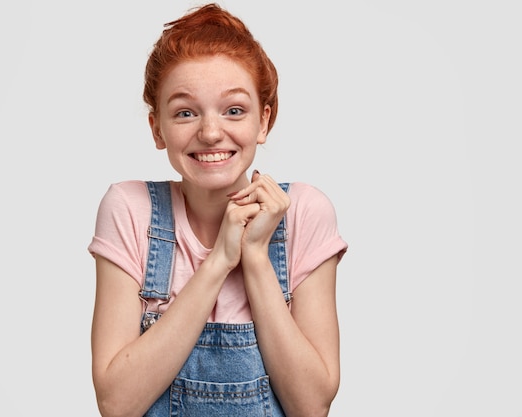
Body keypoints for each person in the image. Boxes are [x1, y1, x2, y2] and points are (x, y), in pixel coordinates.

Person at [88, 3, 348, 416]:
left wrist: (257, 257)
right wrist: (220, 261)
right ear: (158, 128)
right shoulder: (130, 209)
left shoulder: (304, 213)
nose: (210, 133)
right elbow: (117, 404)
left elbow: (311, 406)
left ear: (264, 121)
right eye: (185, 112)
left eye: (234, 110)